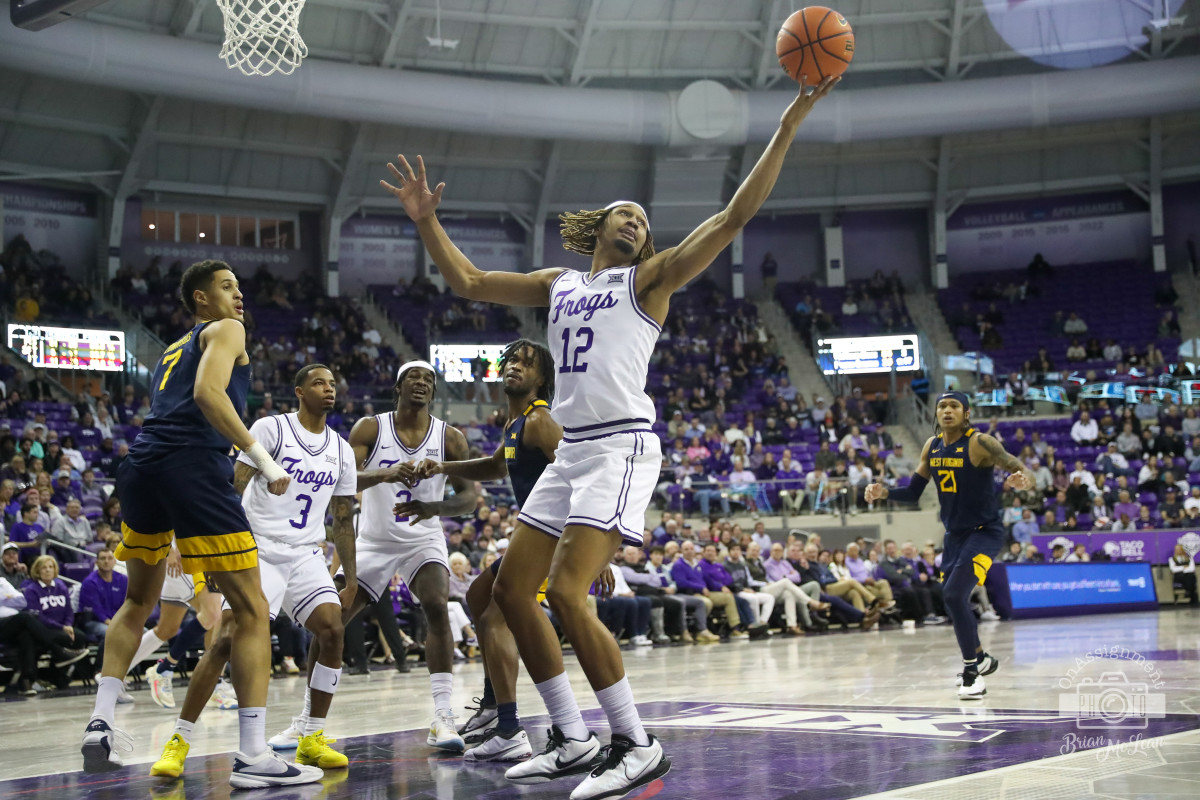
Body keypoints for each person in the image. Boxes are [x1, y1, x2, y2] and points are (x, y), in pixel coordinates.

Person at [381, 72, 838, 799]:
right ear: (597, 228)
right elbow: (468, 281)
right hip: (572, 454)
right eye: (624, 216)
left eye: (643, 221)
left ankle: (637, 742)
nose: (636, 224)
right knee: (510, 593)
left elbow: (730, 218)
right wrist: (425, 222)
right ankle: (570, 737)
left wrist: (786, 125)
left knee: (566, 591)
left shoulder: (649, 281)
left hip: (621, 445)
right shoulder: (560, 283)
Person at [79, 260, 321, 788]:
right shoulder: (227, 330)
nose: (240, 296)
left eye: (239, 287)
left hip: (141, 466)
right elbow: (207, 396)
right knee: (253, 609)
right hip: (193, 466)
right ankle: (254, 755)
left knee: (137, 602)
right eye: (227, 287)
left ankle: (101, 719)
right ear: (201, 301)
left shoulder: (174, 348)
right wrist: (262, 456)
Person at [151, 365, 359, 778]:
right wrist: (217, 554)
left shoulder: (341, 449)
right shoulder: (271, 429)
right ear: (299, 390)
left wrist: (349, 577)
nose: (329, 389)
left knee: (333, 629)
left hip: (304, 553)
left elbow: (343, 518)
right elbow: (233, 489)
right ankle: (178, 740)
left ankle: (312, 737)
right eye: (319, 383)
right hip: (256, 550)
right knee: (227, 639)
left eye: (334, 383)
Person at [410, 339, 560, 762]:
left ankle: (510, 727)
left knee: (495, 612)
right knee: (478, 597)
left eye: (526, 363)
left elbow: (575, 475)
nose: (515, 367)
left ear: (542, 379)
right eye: (511, 360)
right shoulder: (516, 425)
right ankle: (496, 709)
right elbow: (496, 466)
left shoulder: (541, 421)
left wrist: (588, 547)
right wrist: (444, 466)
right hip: (533, 536)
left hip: (554, 538)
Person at [342, 360, 477, 752]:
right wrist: (385, 473)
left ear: (433, 392)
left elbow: (468, 497)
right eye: (414, 377)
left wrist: (433, 509)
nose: (422, 383)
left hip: (423, 536)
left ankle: (443, 716)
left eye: (429, 379)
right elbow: (346, 480)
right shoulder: (370, 428)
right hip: (374, 539)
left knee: (437, 604)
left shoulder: (450, 437)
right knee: (334, 620)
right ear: (398, 386)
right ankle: (305, 722)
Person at [866, 391, 1034, 699]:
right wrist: (884, 493)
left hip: (984, 532)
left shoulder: (980, 442)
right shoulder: (932, 446)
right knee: (952, 599)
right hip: (954, 536)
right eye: (942, 406)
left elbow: (1018, 466)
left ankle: (972, 673)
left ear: (966, 413)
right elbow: (914, 493)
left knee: (955, 594)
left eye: (954, 406)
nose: (947, 410)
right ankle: (980, 657)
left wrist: (1025, 480)